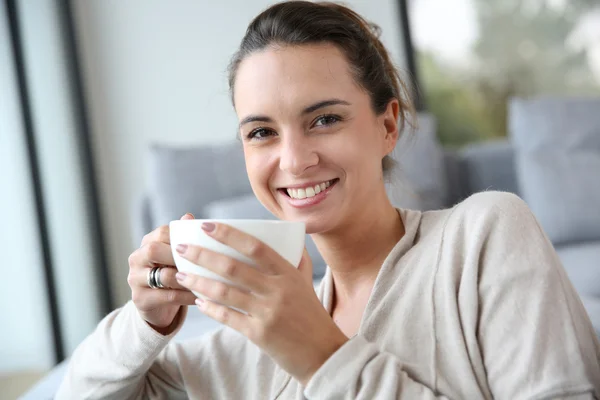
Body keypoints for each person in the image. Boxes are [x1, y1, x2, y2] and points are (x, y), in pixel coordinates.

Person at [57, 1, 600, 399]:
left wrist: (320, 354)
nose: (294, 161)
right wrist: (144, 320)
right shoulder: (245, 347)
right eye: (262, 132)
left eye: (324, 119)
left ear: (387, 126)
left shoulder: (483, 235)